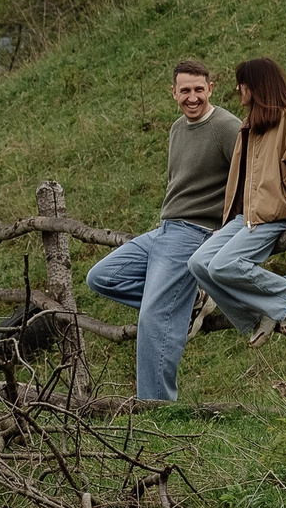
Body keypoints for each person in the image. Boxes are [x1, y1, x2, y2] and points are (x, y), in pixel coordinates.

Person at [84, 60, 239, 401]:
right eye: (185, 90)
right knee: (101, 277)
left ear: (211, 88)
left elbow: (250, 179)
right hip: (165, 230)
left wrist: (227, 229)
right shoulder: (176, 129)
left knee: (152, 320)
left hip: (194, 233)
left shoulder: (228, 127)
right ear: (173, 93)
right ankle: (190, 300)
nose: (193, 97)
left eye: (199, 89)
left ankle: (155, 408)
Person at [185, 56, 286, 344]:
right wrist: (226, 226)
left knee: (223, 265)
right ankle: (256, 315)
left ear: (256, 86)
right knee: (198, 263)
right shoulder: (250, 126)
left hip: (274, 214)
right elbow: (241, 183)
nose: (239, 90)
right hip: (245, 218)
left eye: (242, 84)